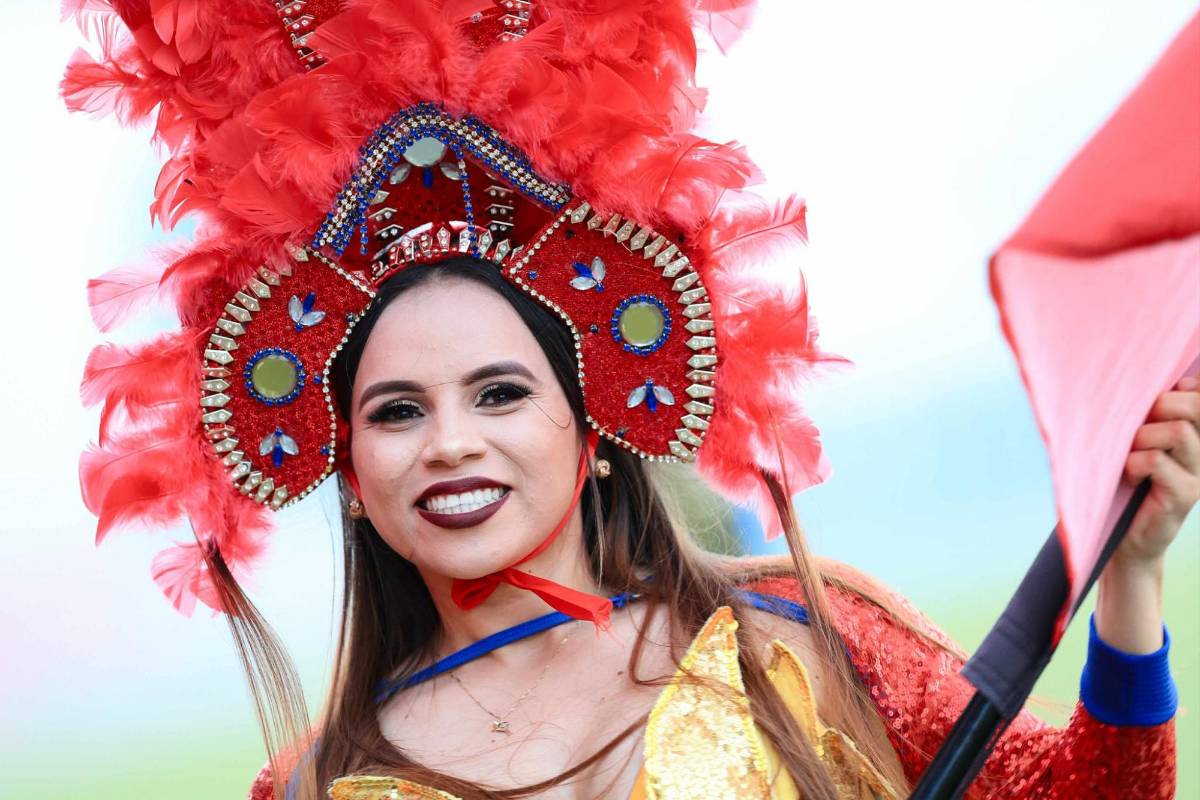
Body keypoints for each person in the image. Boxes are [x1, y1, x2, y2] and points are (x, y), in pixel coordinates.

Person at [62, 2, 1191, 798]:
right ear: (349, 472)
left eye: (499, 392)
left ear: (593, 419)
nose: (451, 442)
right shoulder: (314, 784)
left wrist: (1131, 572)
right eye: (398, 411)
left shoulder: (803, 634)